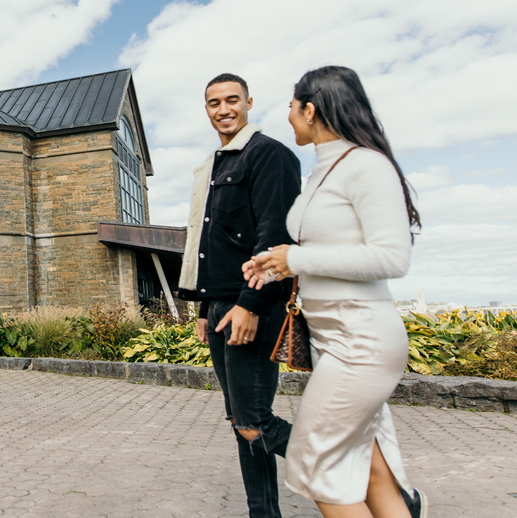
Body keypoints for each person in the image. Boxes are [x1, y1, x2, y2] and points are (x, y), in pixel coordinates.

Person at [246, 66, 426, 518]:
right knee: (369, 466)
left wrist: (297, 259)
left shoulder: (366, 165)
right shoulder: (320, 173)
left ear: (310, 108)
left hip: (361, 336)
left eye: (291, 106)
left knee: (315, 463)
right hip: (332, 336)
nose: (287, 116)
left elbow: (391, 258)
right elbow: (324, 252)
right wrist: (274, 266)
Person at [177, 73, 302, 518]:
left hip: (254, 304)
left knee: (254, 422)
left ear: (249, 102)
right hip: (219, 306)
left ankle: (385, 490)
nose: (224, 109)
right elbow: (208, 242)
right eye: (214, 103)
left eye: (232, 100)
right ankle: (263, 514)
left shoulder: (269, 155)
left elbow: (275, 236)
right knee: (240, 423)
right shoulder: (215, 164)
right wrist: (201, 305)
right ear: (206, 109)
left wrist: (249, 305)